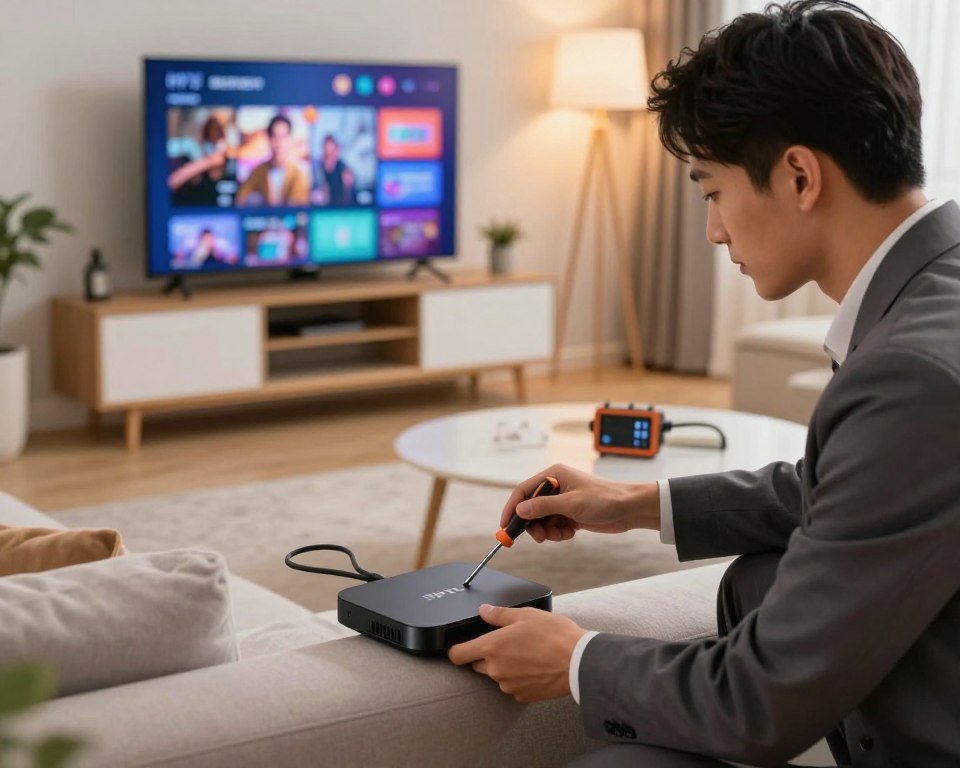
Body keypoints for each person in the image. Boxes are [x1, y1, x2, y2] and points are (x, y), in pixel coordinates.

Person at [447, 2, 960, 766]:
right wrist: (629, 504)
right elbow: (856, 489)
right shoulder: (935, 295)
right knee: (757, 580)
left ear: (798, 174)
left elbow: (758, 703)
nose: (714, 231)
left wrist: (577, 659)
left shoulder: (909, 374)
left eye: (711, 190)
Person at [235, 114, 310, 207]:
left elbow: (299, 206)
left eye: (283, 137)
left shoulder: (298, 173)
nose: (279, 143)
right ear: (269, 139)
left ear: (290, 139)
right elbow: (241, 199)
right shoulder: (258, 171)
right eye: (274, 136)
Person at [167, 115, 234, 206]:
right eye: (211, 130)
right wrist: (207, 162)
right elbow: (172, 182)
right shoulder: (196, 156)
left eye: (217, 131)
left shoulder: (231, 168)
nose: (214, 134)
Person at [313, 134, 356, 206]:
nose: (330, 154)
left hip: (341, 208)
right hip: (322, 209)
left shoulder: (344, 169)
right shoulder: (317, 168)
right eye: (327, 152)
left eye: (332, 151)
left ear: (337, 151)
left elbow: (350, 192)